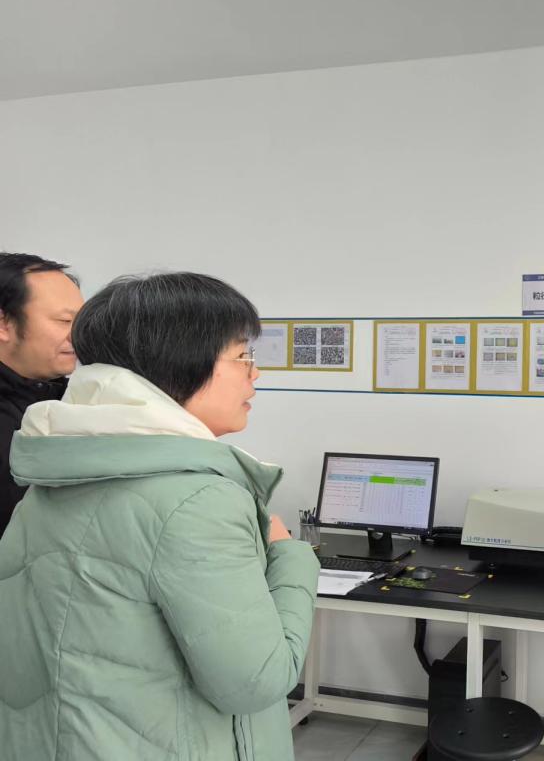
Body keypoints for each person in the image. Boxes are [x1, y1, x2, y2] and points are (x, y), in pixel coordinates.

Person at [0, 272, 319, 761]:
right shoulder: (197, 501)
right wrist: (290, 555)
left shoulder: (52, 477)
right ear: (179, 362)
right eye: (242, 356)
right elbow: (256, 681)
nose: (255, 374)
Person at [0, 252, 83, 535]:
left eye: (81, 321)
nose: (78, 334)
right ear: (4, 324)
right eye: (64, 321)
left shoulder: (82, 405)